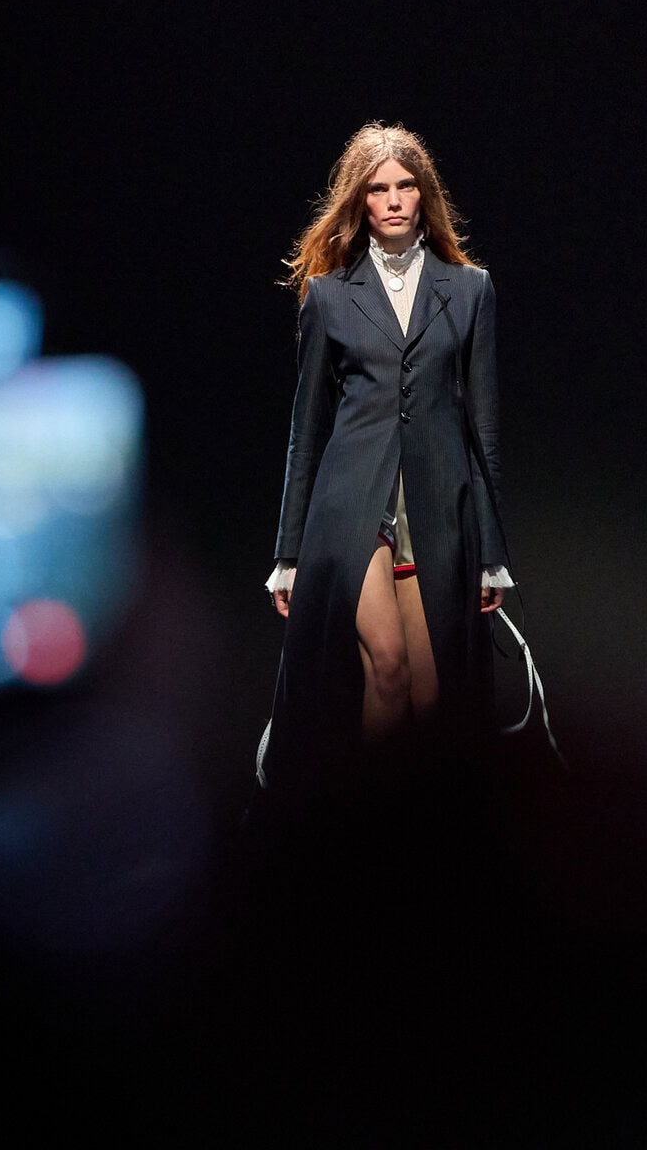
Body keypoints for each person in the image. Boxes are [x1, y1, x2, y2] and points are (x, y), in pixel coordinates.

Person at [260, 123, 512, 810]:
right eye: (378, 189)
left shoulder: (469, 290)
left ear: (425, 195)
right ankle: (369, 833)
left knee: (432, 694)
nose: (394, 200)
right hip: (350, 505)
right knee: (389, 669)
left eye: (405, 186)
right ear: (360, 201)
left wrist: (493, 553)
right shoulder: (329, 295)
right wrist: (288, 553)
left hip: (435, 503)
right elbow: (306, 428)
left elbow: (484, 427)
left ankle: (421, 833)